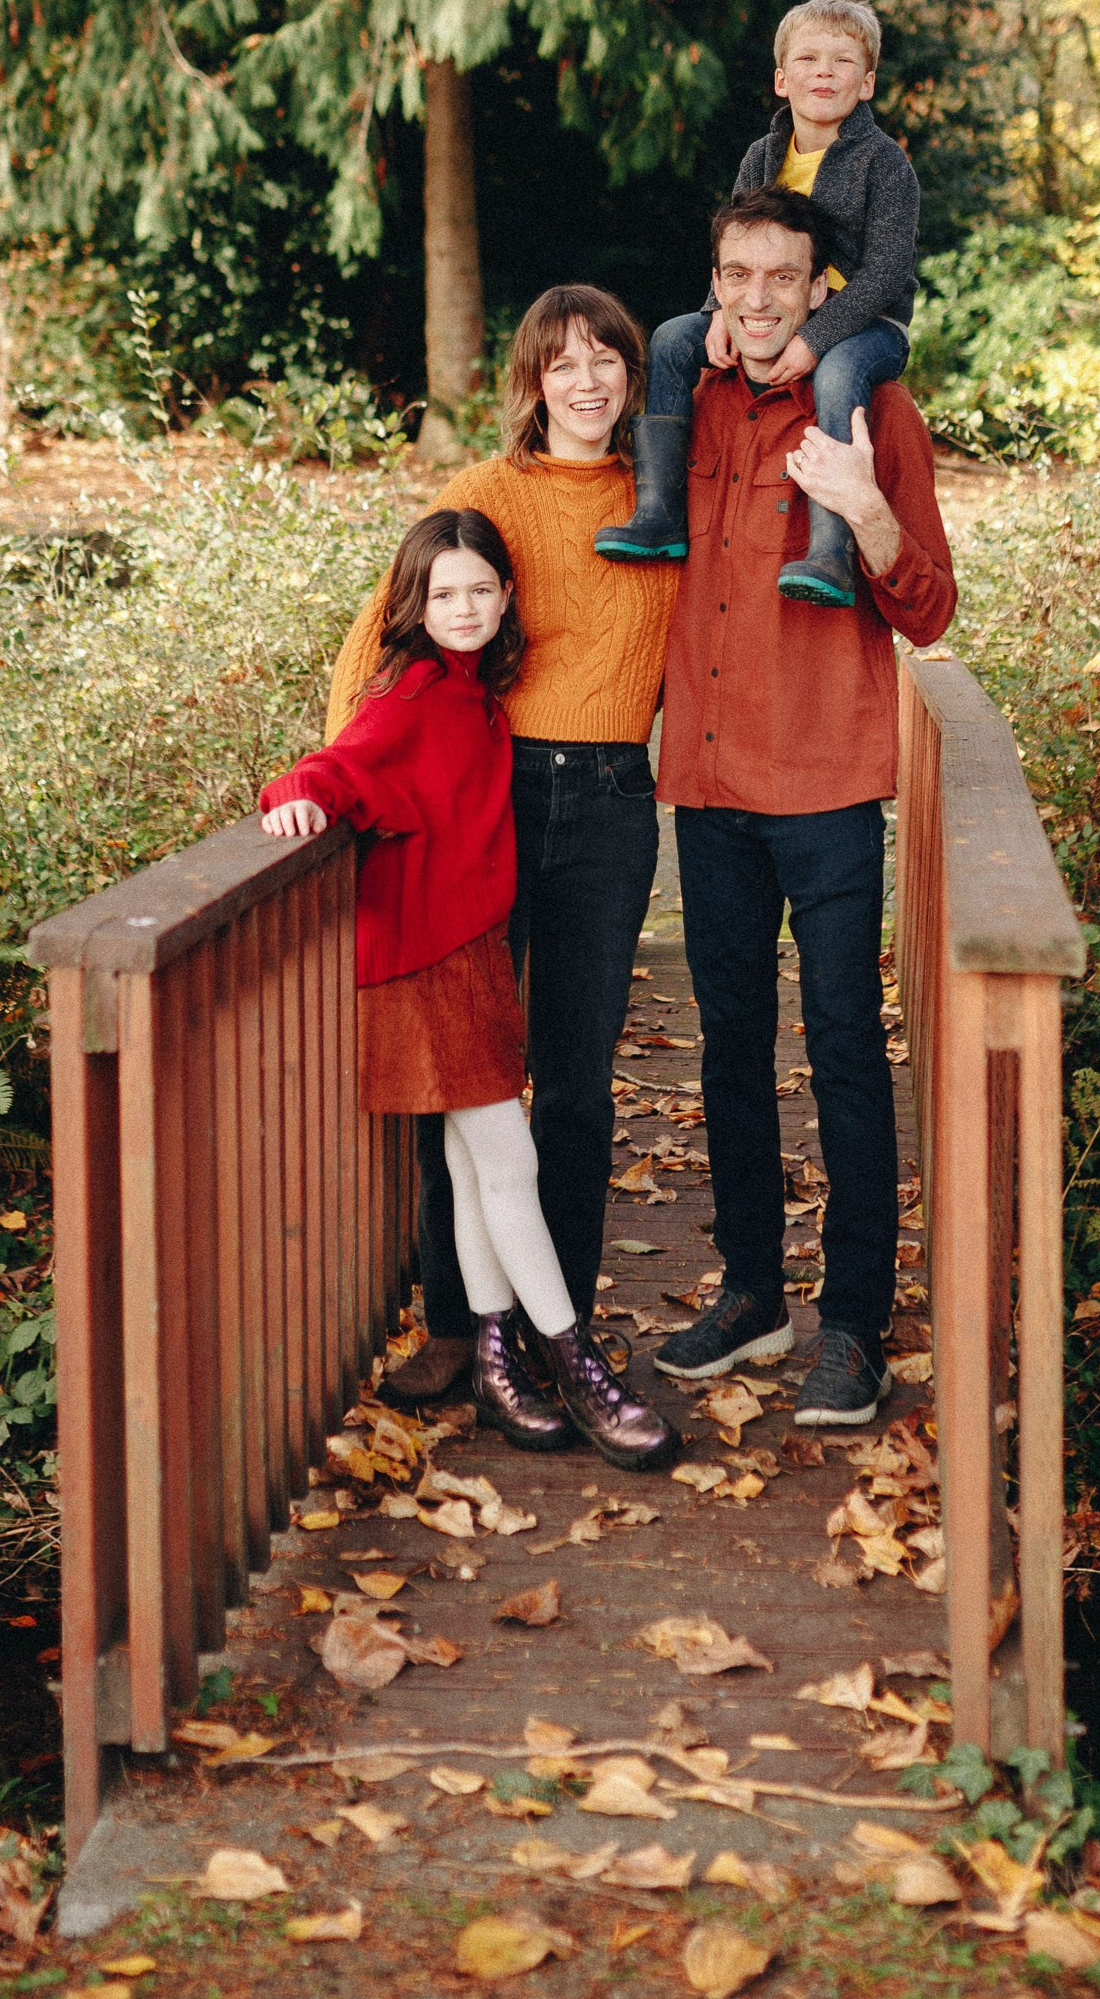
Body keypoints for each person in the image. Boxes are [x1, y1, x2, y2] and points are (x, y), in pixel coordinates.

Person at [259, 509, 678, 1472]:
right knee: (506, 1163)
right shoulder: (413, 690)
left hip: (467, 951)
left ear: (505, 597)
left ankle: (493, 1359)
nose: (464, 608)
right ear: (411, 603)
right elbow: (338, 764)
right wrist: (299, 796)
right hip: (426, 964)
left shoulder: (472, 690)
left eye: (481, 590)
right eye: (443, 594)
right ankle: (576, 1364)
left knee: (465, 1162)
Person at [322, 289, 679, 1411]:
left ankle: (553, 1321)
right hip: (493, 797)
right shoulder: (482, 496)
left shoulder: (659, 499)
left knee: (573, 1082)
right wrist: (347, 784)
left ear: (631, 376)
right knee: (459, 1068)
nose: (586, 381)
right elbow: (377, 641)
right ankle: (451, 1323)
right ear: (529, 382)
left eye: (606, 360)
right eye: (560, 363)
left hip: (614, 803)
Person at [647, 187, 957, 1429]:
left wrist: (865, 504)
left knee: (840, 1054)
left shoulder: (873, 411)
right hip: (710, 785)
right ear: (713, 283)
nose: (760, 299)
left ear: (821, 288)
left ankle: (850, 1327)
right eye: (738, 276)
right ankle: (750, 1295)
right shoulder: (685, 406)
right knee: (728, 1049)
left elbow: (929, 610)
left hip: (827, 786)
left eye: (784, 277)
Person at [597, 0, 921, 606]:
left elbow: (887, 271)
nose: (824, 72)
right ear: (782, 78)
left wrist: (817, 340)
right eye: (807, 58)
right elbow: (734, 245)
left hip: (869, 325)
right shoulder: (764, 156)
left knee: (839, 375)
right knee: (669, 339)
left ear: (868, 81)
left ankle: (830, 553)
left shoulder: (885, 164)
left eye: (842, 61)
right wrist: (718, 313)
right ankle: (661, 513)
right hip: (768, 306)